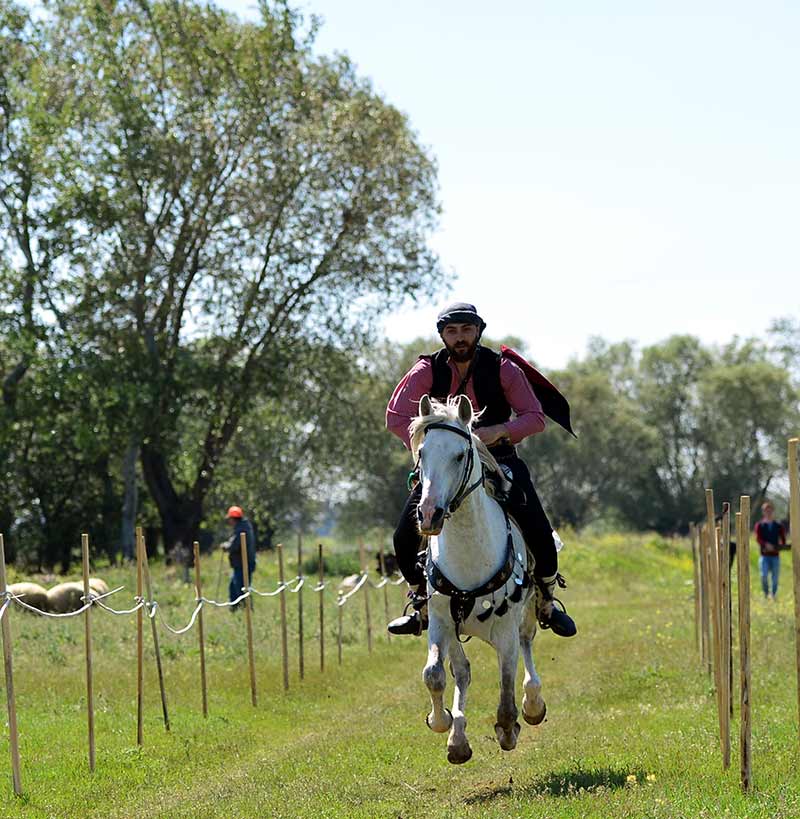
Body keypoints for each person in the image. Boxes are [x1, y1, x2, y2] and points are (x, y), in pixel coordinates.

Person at [384, 302, 577, 638]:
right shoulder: (426, 370)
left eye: (466, 330)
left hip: (499, 458)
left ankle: (546, 598)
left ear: (478, 332)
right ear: (443, 335)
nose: (460, 338)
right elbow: (396, 418)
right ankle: (422, 603)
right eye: (452, 331)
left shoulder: (502, 368)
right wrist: (429, 451)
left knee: (538, 529)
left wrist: (498, 431)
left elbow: (534, 417)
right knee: (403, 536)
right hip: (444, 466)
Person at [221, 505, 256, 608]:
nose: (229, 522)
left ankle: (247, 609)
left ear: (233, 519)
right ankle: (235, 609)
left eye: (229, 519)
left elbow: (234, 546)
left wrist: (225, 546)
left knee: (241, 589)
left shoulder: (241, 529)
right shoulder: (243, 527)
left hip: (242, 564)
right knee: (234, 587)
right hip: (242, 563)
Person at [754, 501, 787, 599]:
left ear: (773, 512)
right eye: (766, 511)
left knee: (775, 578)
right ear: (763, 512)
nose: (768, 513)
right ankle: (765, 593)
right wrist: (765, 544)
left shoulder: (778, 525)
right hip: (764, 556)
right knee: (763, 576)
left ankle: (773, 594)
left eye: (770, 511)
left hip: (775, 556)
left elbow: (783, 539)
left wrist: (780, 545)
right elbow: (758, 538)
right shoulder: (760, 525)